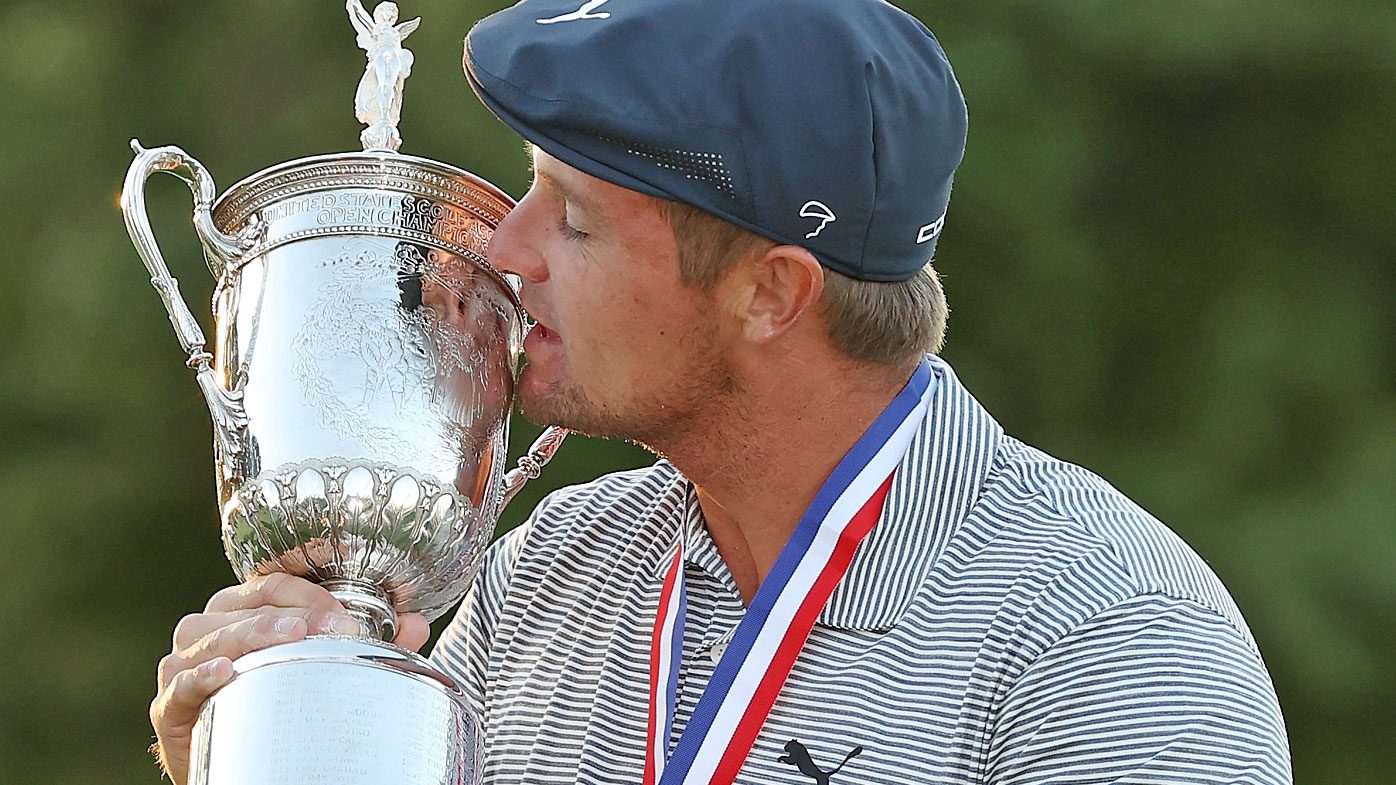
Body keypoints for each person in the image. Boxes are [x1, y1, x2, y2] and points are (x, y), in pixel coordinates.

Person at [150, 1, 1292, 783]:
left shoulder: (1111, 641)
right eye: (531, 189)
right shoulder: (545, 579)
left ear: (770, 293)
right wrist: (270, 737)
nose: (504, 249)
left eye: (575, 219)